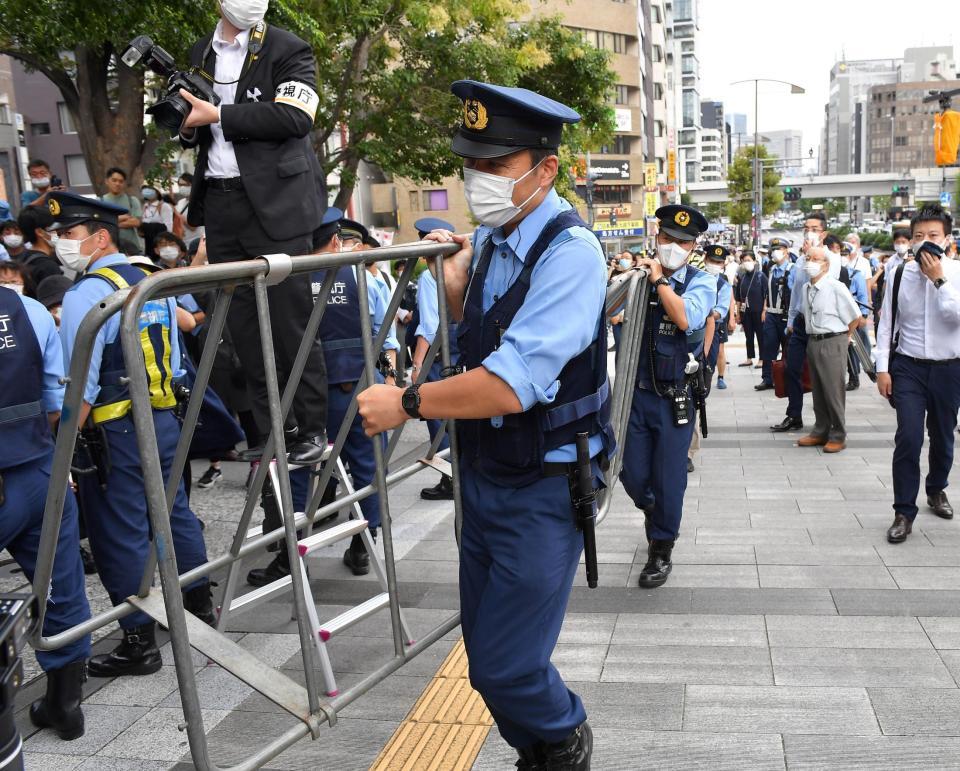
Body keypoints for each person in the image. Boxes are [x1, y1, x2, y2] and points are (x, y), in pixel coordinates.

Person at [358, 80, 608, 769]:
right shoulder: (496, 242)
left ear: (545, 168)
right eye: (472, 163)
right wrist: (458, 289)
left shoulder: (570, 253)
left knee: (507, 666)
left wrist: (406, 403)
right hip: (487, 477)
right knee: (484, 654)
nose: (478, 180)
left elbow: (508, 383)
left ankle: (563, 738)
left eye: (496, 166)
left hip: (544, 488)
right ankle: (539, 748)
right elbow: (488, 339)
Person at [50, 191, 215, 677]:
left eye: (69, 235)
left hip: (115, 430)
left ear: (99, 238)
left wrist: (63, 448)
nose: (61, 243)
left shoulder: (86, 295)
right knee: (175, 513)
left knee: (119, 530)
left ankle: (138, 644)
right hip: (163, 419)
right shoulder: (151, 282)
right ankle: (200, 610)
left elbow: (80, 383)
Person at [178, 0, 329, 465]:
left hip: (277, 204)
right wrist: (185, 125)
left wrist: (218, 114)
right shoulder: (199, 51)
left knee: (289, 320)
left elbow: (295, 118)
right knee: (242, 327)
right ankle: (271, 428)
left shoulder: (289, 48)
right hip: (221, 203)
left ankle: (312, 426)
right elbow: (191, 127)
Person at [0, 283, 92, 740]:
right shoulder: (29, 309)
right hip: (37, 473)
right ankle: (66, 704)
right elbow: (56, 407)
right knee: (60, 584)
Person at [618, 204, 714, 589]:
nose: (673, 247)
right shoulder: (639, 277)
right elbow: (607, 313)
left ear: (693, 248)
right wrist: (631, 279)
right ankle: (653, 510)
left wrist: (660, 282)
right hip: (635, 395)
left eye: (682, 243)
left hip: (675, 398)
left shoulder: (702, 282)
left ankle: (661, 547)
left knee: (669, 477)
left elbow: (686, 318)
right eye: (667, 239)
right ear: (656, 238)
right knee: (629, 471)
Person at [876, 204, 960, 544]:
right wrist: (883, 369)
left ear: (948, 239)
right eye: (919, 236)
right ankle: (903, 511)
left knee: (943, 435)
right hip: (908, 366)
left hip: (949, 367)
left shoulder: (954, 273)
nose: (925, 242)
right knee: (909, 436)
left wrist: (938, 278)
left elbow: (955, 317)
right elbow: (886, 324)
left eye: (933, 236)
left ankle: (937, 488)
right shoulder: (898, 274)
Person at [412, 217, 461, 501]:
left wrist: (418, 365)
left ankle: (449, 479)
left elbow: (429, 324)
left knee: (437, 417)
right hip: (459, 349)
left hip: (439, 353)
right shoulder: (462, 267)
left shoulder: (430, 274)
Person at [795, 247, 861, 453]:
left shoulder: (835, 287)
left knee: (833, 390)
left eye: (815, 259)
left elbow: (855, 317)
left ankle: (838, 434)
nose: (810, 262)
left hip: (833, 340)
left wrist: (845, 337)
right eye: (808, 258)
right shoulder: (806, 287)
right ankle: (820, 430)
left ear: (826, 264)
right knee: (818, 390)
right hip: (813, 340)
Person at [771, 211, 829, 433]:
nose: (809, 232)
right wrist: (792, 320)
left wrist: (813, 259)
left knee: (821, 375)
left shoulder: (830, 259)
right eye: (807, 228)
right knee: (791, 369)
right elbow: (797, 293)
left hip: (822, 326)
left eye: (814, 229)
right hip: (801, 325)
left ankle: (825, 421)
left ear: (823, 233)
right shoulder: (800, 263)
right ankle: (794, 415)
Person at [756, 237, 793, 391]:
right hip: (771, 315)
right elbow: (767, 292)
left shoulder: (793, 269)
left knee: (788, 349)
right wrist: (765, 309)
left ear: (787, 251)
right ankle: (767, 378)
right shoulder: (770, 268)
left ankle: (788, 379)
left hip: (786, 316)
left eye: (780, 249)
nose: (776, 252)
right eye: (774, 249)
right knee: (768, 348)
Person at [13, 208, 64, 286]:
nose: (60, 234)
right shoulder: (48, 267)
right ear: (40, 232)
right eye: (55, 230)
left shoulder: (23, 258)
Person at [101, 167, 144, 255]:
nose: (117, 184)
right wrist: (124, 217)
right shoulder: (100, 201)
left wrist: (110, 221)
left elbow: (136, 222)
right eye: (114, 180)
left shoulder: (132, 201)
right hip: (108, 249)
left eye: (121, 181)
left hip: (132, 248)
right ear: (107, 181)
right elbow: (100, 224)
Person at [733, 250, 765, 369]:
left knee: (761, 336)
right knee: (749, 336)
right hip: (745, 312)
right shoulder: (742, 277)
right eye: (744, 261)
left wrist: (764, 311)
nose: (746, 263)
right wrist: (737, 313)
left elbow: (766, 295)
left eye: (749, 260)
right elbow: (738, 297)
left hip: (758, 311)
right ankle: (749, 358)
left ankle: (762, 359)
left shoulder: (761, 276)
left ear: (754, 261)